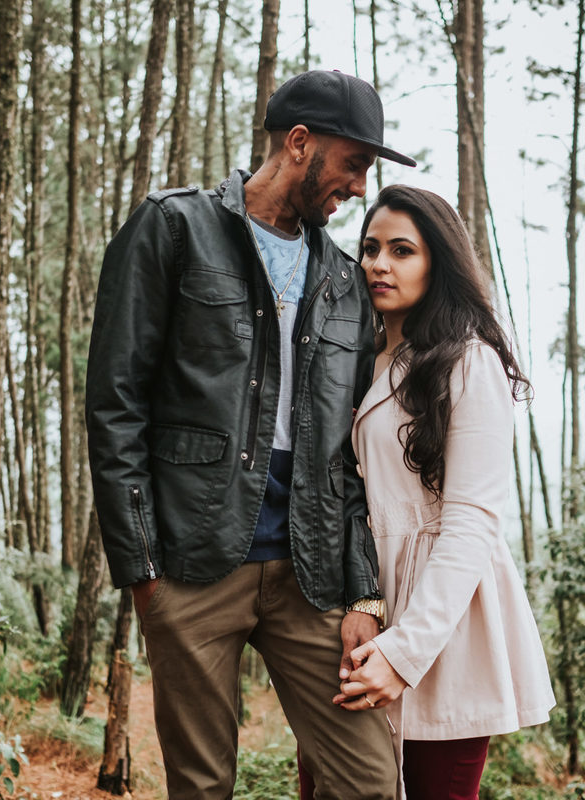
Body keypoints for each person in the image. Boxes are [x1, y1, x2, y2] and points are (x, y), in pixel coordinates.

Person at [85, 71, 416, 800]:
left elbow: (352, 452)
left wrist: (364, 596)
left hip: (314, 572)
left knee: (368, 782)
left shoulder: (342, 278)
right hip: (190, 566)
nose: (360, 188)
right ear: (299, 144)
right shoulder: (173, 226)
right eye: (354, 164)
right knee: (202, 788)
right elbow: (116, 403)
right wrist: (142, 571)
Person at [333, 185, 556, 800]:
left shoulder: (468, 361)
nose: (379, 264)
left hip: (444, 625)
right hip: (359, 613)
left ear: (439, 263)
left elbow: (471, 525)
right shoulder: (355, 358)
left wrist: (404, 653)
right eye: (371, 248)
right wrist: (360, 602)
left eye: (402, 250)